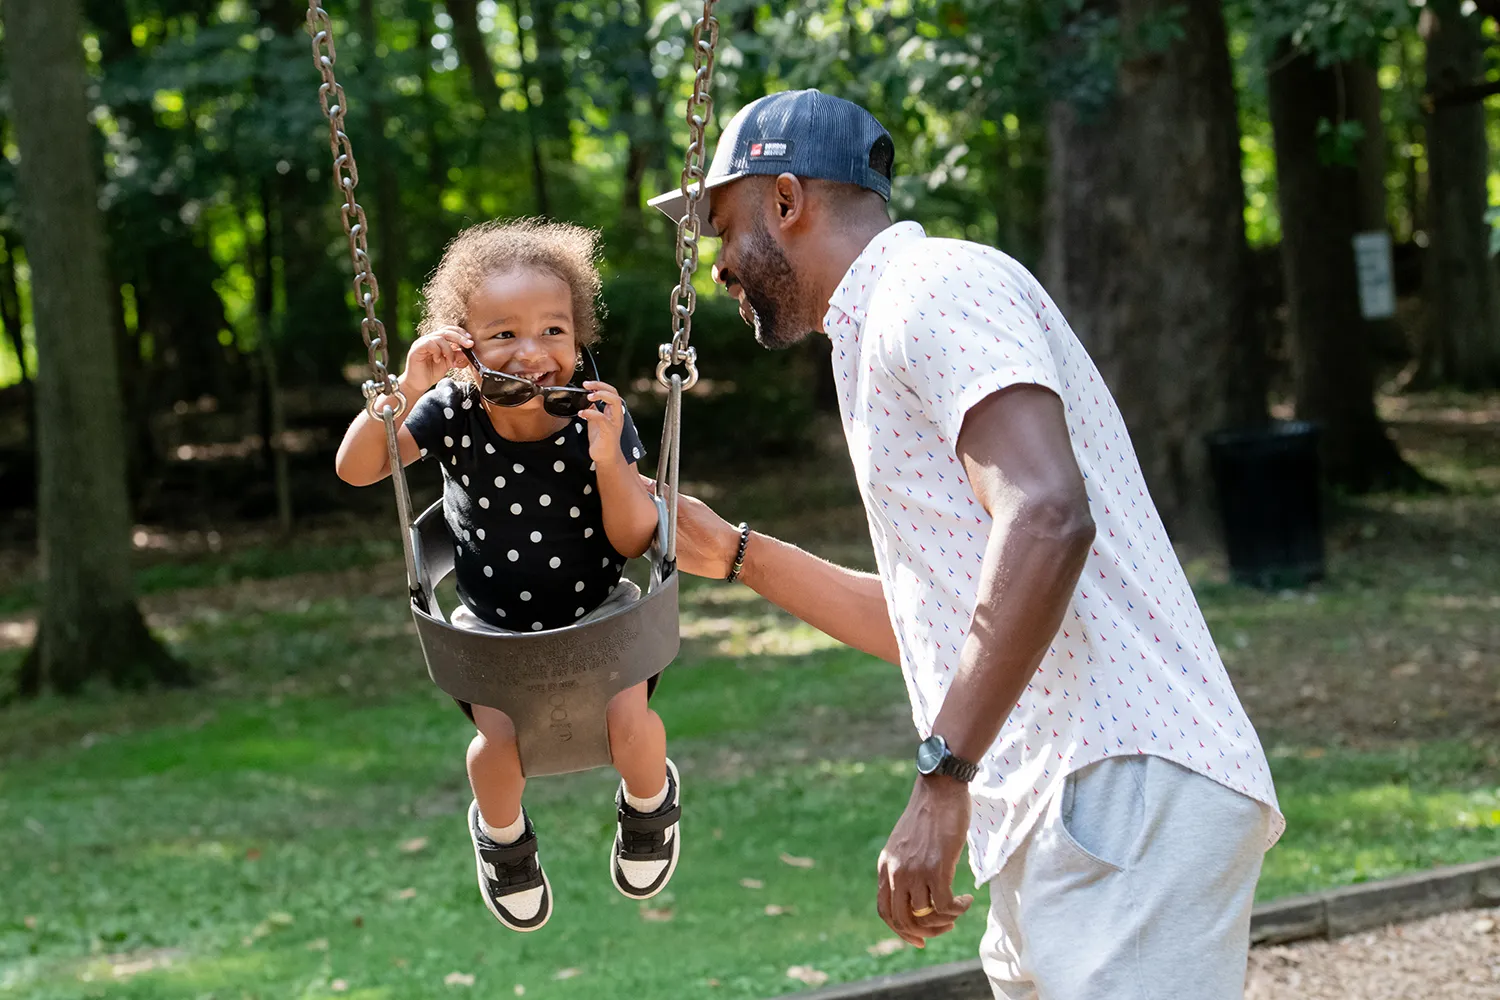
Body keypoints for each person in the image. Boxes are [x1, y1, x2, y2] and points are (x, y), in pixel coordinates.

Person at [647, 90, 1284, 999]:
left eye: (720, 228)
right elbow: (940, 622)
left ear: (786, 201)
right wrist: (740, 553)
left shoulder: (933, 286)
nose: (717, 268)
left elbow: (1048, 515)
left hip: (1121, 781)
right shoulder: (871, 337)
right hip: (1056, 803)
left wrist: (941, 776)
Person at [334, 219, 681, 933]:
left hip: (602, 616)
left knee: (634, 728)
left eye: (554, 330)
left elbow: (633, 536)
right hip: (491, 630)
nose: (532, 353)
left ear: (579, 337)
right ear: (463, 345)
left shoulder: (597, 412)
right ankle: (505, 844)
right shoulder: (452, 411)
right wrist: (406, 385)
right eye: (503, 335)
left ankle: (650, 810)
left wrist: (612, 458)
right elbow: (357, 467)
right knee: (493, 752)